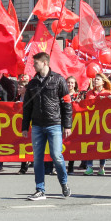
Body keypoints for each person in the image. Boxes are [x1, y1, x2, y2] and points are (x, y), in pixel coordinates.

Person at [21, 52, 72, 200]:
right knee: (37, 158)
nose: (33, 65)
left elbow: (67, 104)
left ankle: (64, 183)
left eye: (35, 63)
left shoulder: (58, 79)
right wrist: (25, 126)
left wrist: (67, 125)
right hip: (37, 125)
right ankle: (40, 189)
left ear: (44, 63)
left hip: (54, 124)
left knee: (56, 155)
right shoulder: (32, 83)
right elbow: (27, 107)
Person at [83, 73, 111, 175]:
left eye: (98, 79)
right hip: (91, 122)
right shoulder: (89, 93)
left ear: (103, 82)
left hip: (104, 122)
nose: (95, 81)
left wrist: (110, 100)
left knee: (103, 145)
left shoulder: (108, 93)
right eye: (95, 79)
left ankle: (101, 167)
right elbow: (86, 106)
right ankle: (89, 167)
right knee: (90, 144)